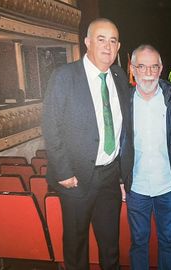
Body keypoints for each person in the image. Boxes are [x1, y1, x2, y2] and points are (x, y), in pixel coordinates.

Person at [42, 18, 129, 269]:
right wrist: (64, 172)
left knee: (111, 246)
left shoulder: (119, 76)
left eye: (113, 41)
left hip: (110, 178)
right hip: (76, 179)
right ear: (88, 42)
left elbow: (126, 126)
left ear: (119, 46)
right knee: (76, 246)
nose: (108, 46)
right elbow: (51, 126)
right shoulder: (64, 76)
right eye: (101, 39)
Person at [123, 44, 171, 270]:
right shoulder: (122, 101)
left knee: (168, 242)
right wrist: (119, 179)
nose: (149, 73)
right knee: (139, 242)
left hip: (168, 187)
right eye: (142, 67)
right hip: (136, 188)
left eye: (154, 67)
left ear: (161, 68)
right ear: (133, 69)